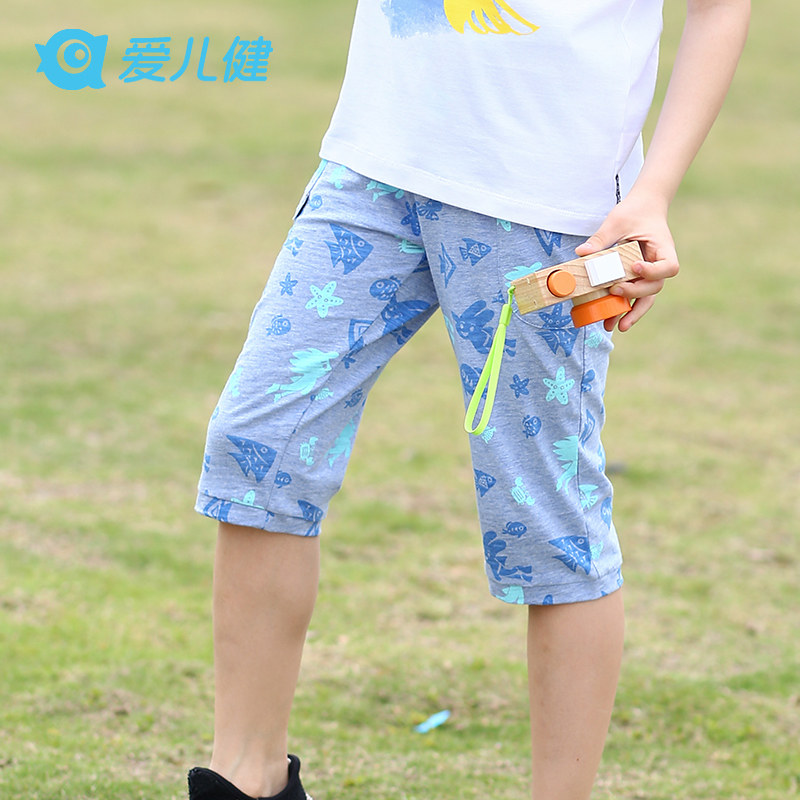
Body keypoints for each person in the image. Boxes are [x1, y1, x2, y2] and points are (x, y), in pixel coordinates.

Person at [187, 1, 750, 798]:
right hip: (371, 170)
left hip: (547, 211)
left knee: (546, 512)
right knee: (257, 447)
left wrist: (652, 193)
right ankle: (249, 780)